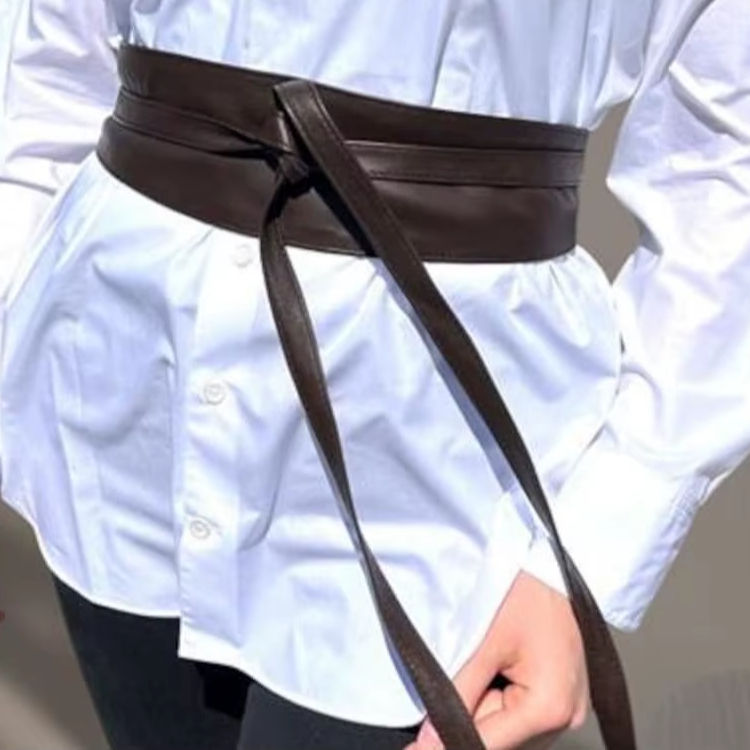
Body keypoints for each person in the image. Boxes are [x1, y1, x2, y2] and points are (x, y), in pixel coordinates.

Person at [0, 1, 747, 749]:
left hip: (436, 459)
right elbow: (54, 68)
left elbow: (725, 175)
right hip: (112, 389)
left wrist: (588, 551)